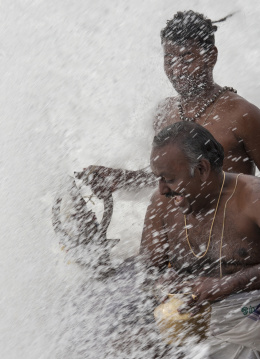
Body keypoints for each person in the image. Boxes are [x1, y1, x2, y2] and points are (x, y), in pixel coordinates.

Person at [76, 10, 260, 198]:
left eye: (187, 58)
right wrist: (122, 179)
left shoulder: (242, 116)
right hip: (181, 227)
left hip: (228, 226)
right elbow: (169, 176)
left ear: (211, 56)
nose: (177, 70)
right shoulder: (164, 112)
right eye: (169, 60)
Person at [140, 121, 260, 358]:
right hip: (189, 320)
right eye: (158, 179)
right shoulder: (161, 204)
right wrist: (164, 282)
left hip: (251, 313)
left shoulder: (252, 197)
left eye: (169, 179)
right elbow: (148, 269)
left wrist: (229, 284)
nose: (162, 189)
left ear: (203, 169)